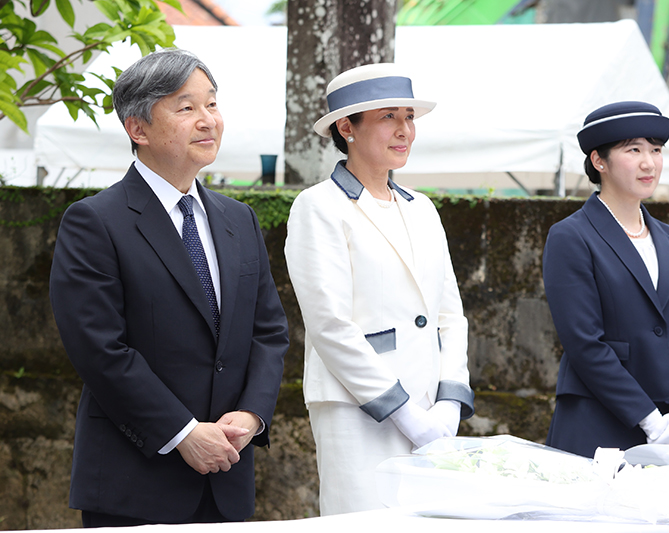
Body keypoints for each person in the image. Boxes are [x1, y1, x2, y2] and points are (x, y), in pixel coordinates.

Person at [49, 48, 289, 527]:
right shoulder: (95, 222)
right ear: (138, 129)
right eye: (186, 107)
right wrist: (182, 433)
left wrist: (251, 415)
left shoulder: (237, 219)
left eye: (213, 104)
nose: (208, 120)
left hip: (228, 474)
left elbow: (268, 332)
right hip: (135, 480)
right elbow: (101, 350)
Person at [284, 63, 474, 515]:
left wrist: (450, 400)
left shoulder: (422, 208)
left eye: (408, 117)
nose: (405, 130)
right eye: (389, 117)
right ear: (346, 127)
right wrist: (403, 412)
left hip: (432, 407)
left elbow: (450, 314)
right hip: (358, 410)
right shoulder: (318, 207)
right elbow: (330, 325)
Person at [543, 101, 669, 459]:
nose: (649, 162)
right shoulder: (571, 236)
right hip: (595, 427)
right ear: (598, 161)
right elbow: (585, 343)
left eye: (656, 149)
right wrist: (648, 419)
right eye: (633, 149)